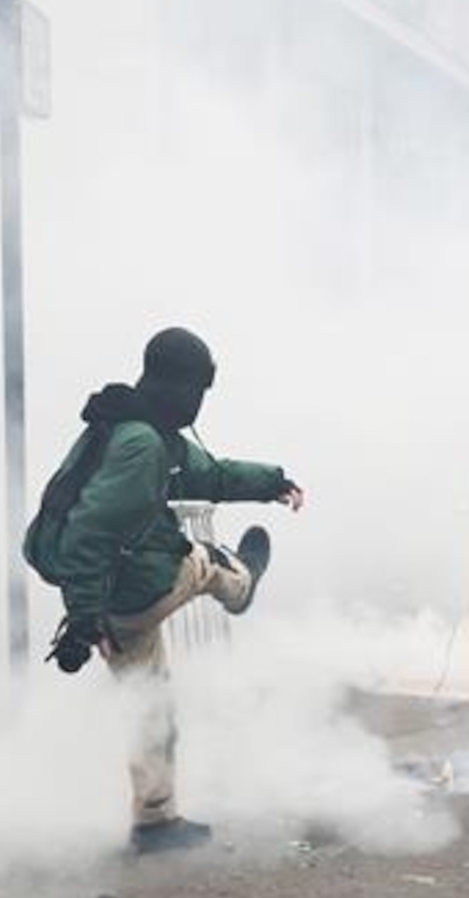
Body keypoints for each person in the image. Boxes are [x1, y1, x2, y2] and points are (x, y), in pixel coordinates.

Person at [24, 327, 304, 854]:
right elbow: (90, 530)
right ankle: (239, 585)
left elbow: (212, 476)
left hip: (110, 600)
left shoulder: (127, 428)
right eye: (198, 391)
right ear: (180, 386)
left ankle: (155, 820)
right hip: (123, 595)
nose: (198, 404)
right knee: (202, 561)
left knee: (148, 702)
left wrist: (271, 482)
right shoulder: (143, 448)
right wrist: (83, 620)